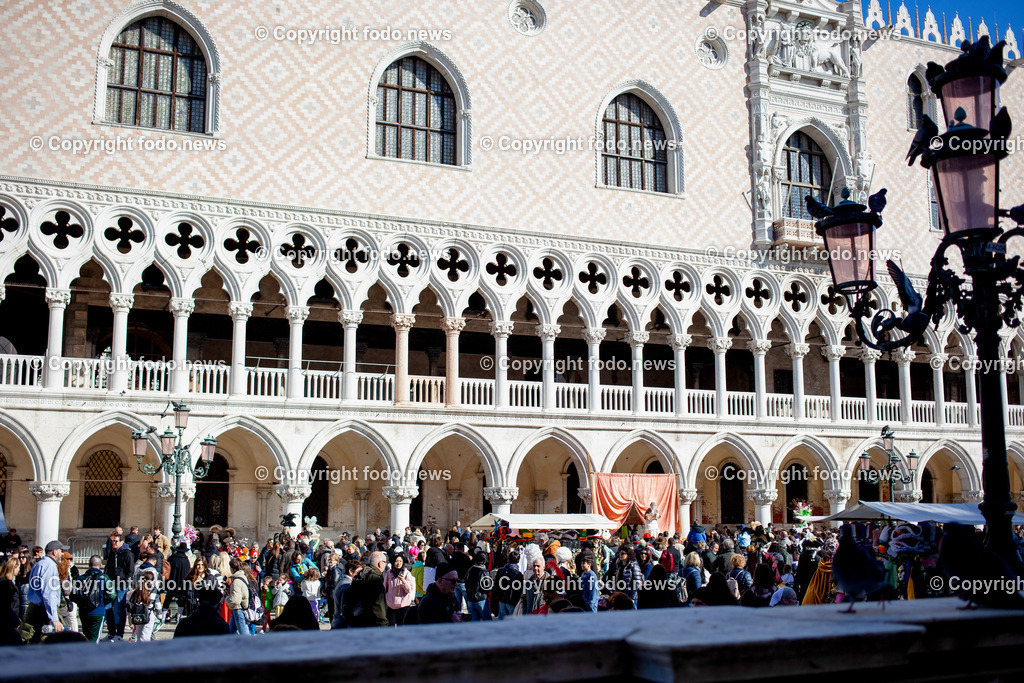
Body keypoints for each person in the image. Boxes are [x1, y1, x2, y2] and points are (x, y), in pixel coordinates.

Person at [24, 540, 67, 642]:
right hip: (43, 611)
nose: (62, 554)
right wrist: (55, 619)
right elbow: (49, 594)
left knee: (30, 642)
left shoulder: (40, 564)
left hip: (36, 609)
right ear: (54, 552)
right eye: (61, 551)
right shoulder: (49, 566)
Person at [104, 532, 134, 640]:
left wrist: (125, 582)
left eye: (116, 541)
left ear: (122, 542)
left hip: (121, 585)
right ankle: (111, 632)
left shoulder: (128, 554)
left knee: (120, 609)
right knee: (108, 608)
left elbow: (130, 571)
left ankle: (119, 633)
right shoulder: (113, 553)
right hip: (111, 584)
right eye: (113, 541)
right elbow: (108, 567)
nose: (114, 543)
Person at [346, 551, 388, 628]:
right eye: (385, 562)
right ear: (380, 563)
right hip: (372, 621)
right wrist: (383, 622)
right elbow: (378, 603)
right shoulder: (374, 578)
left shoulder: (361, 574)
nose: (385, 564)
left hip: (357, 619)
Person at [73, 555, 107, 642]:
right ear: (100, 565)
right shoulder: (104, 578)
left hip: (84, 611)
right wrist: (102, 602)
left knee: (87, 636)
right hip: (98, 611)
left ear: (89, 565)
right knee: (95, 639)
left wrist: (81, 603)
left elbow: (73, 595)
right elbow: (112, 595)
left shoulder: (81, 578)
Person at [127, 572, 161, 642]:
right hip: (148, 614)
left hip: (138, 614)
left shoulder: (138, 589)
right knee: (145, 636)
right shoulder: (154, 590)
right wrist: (159, 616)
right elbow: (158, 605)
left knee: (139, 635)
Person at [384, 554, 415, 626]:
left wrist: (403, 581)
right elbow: (385, 587)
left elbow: (409, 590)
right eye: (396, 561)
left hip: (403, 605)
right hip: (391, 605)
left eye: (400, 561)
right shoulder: (389, 573)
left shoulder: (407, 573)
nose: (398, 563)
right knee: (390, 626)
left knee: (402, 626)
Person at [330, 559, 362, 629]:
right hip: (342, 625)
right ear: (351, 571)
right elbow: (344, 610)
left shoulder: (343, 582)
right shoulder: (347, 585)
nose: (360, 574)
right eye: (358, 572)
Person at [493, 551, 523, 620]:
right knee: (510, 622)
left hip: (502, 600)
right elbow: (519, 590)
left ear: (508, 559)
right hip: (511, 601)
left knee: (501, 619)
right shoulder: (518, 574)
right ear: (518, 561)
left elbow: (496, 586)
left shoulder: (501, 571)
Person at [464, 551, 491, 621]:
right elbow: (487, 587)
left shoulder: (470, 570)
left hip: (471, 599)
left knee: (474, 623)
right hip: (481, 599)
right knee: (487, 622)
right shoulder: (484, 572)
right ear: (484, 561)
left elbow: (466, 582)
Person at [226, 557, 251, 636]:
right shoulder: (242, 577)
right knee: (231, 632)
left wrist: (227, 599)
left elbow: (235, 600)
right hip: (240, 609)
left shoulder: (236, 581)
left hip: (238, 609)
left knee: (244, 633)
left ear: (232, 568)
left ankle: (249, 646)